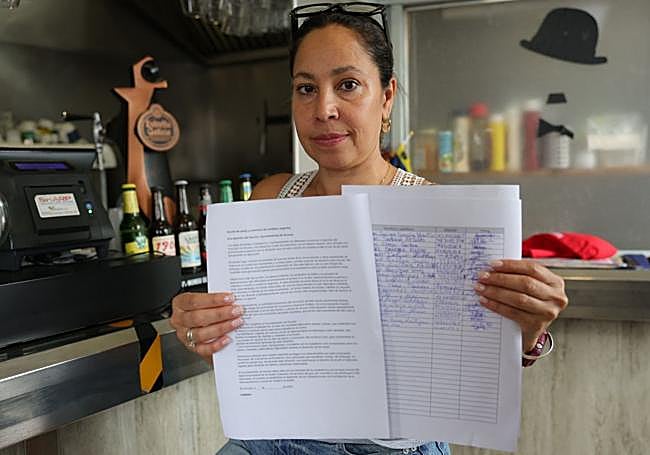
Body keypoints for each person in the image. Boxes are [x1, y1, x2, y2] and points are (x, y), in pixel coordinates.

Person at [170, 3, 569, 454]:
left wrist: (529, 332)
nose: (324, 109)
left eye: (348, 85)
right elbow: (247, 352)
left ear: (386, 96)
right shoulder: (269, 200)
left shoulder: (440, 216)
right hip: (268, 442)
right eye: (306, 88)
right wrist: (203, 331)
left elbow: (474, 360)